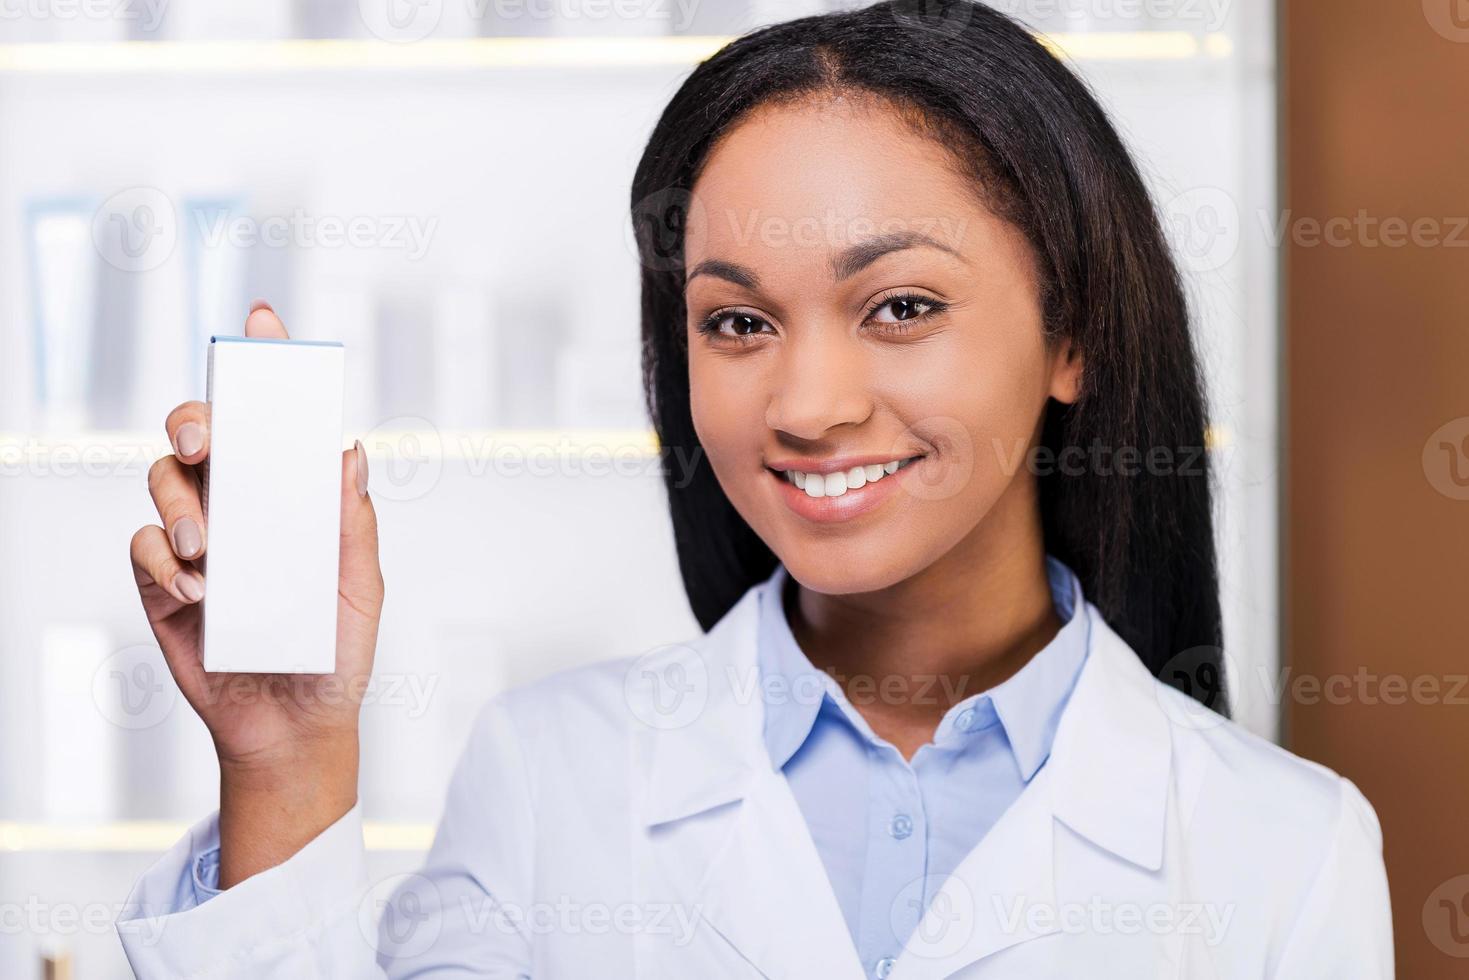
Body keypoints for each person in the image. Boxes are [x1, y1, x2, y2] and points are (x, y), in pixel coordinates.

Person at [116, 2, 1392, 976]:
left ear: (1074, 336)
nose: (804, 402)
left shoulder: (1283, 847)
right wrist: (284, 763)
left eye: (899, 305)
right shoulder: (550, 772)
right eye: (735, 323)